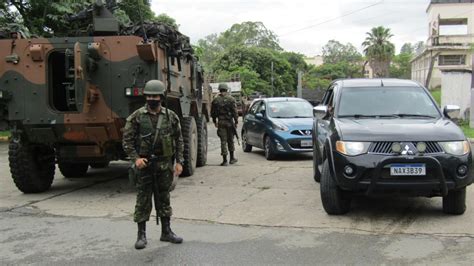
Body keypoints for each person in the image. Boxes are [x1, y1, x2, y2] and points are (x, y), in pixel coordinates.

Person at [122, 80, 184, 250]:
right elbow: (126, 141)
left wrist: (179, 161)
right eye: (149, 96)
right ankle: (141, 235)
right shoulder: (137, 116)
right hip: (145, 164)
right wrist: (136, 159)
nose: (152, 99)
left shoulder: (171, 116)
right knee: (143, 199)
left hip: (164, 164)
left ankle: (166, 231)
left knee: (164, 198)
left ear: (161, 97)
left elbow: (178, 139)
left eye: (155, 96)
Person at [211, 83, 239, 166]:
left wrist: (214, 121)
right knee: (230, 140)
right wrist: (236, 121)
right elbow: (235, 112)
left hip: (221, 122)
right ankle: (232, 158)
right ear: (226, 89)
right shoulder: (231, 99)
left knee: (223, 141)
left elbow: (213, 113)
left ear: (219, 90)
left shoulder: (215, 100)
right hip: (230, 123)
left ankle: (225, 161)